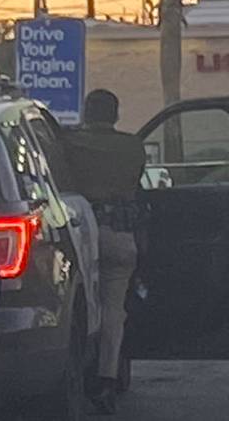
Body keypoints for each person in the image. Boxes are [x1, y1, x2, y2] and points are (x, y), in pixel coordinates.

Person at [64, 90, 146, 415]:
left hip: (78, 234)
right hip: (120, 235)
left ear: (85, 112)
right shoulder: (133, 146)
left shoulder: (69, 143)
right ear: (116, 115)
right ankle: (106, 379)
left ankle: (74, 372)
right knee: (114, 311)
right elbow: (138, 186)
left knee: (75, 306)